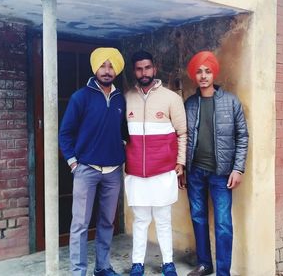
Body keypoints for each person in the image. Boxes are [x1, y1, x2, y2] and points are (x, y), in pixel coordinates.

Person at [59, 47, 127, 276]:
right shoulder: (81, 97)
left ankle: (103, 267)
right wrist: (73, 163)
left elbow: (124, 132)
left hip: (113, 171)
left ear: (116, 70)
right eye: (102, 65)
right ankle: (78, 271)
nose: (107, 71)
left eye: (111, 66)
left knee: (107, 222)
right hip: (86, 169)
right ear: (95, 68)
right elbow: (65, 133)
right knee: (80, 224)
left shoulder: (120, 99)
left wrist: (120, 150)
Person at [184, 51, 249, 276]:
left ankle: (223, 272)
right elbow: (182, 137)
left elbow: (242, 136)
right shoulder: (190, 104)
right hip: (195, 172)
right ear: (194, 75)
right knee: (198, 217)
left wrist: (238, 168)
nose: (203, 76)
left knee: (223, 225)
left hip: (221, 174)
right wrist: (182, 167)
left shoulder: (231, 102)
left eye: (207, 71)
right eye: (199, 72)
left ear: (214, 73)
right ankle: (204, 263)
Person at [124, 50, 187, 276]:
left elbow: (182, 133)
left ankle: (168, 263)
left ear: (154, 68)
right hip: (136, 172)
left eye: (147, 68)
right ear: (134, 71)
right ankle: (137, 263)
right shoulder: (127, 97)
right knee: (140, 220)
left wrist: (181, 162)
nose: (144, 73)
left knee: (163, 219)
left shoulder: (171, 98)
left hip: (163, 170)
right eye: (139, 69)